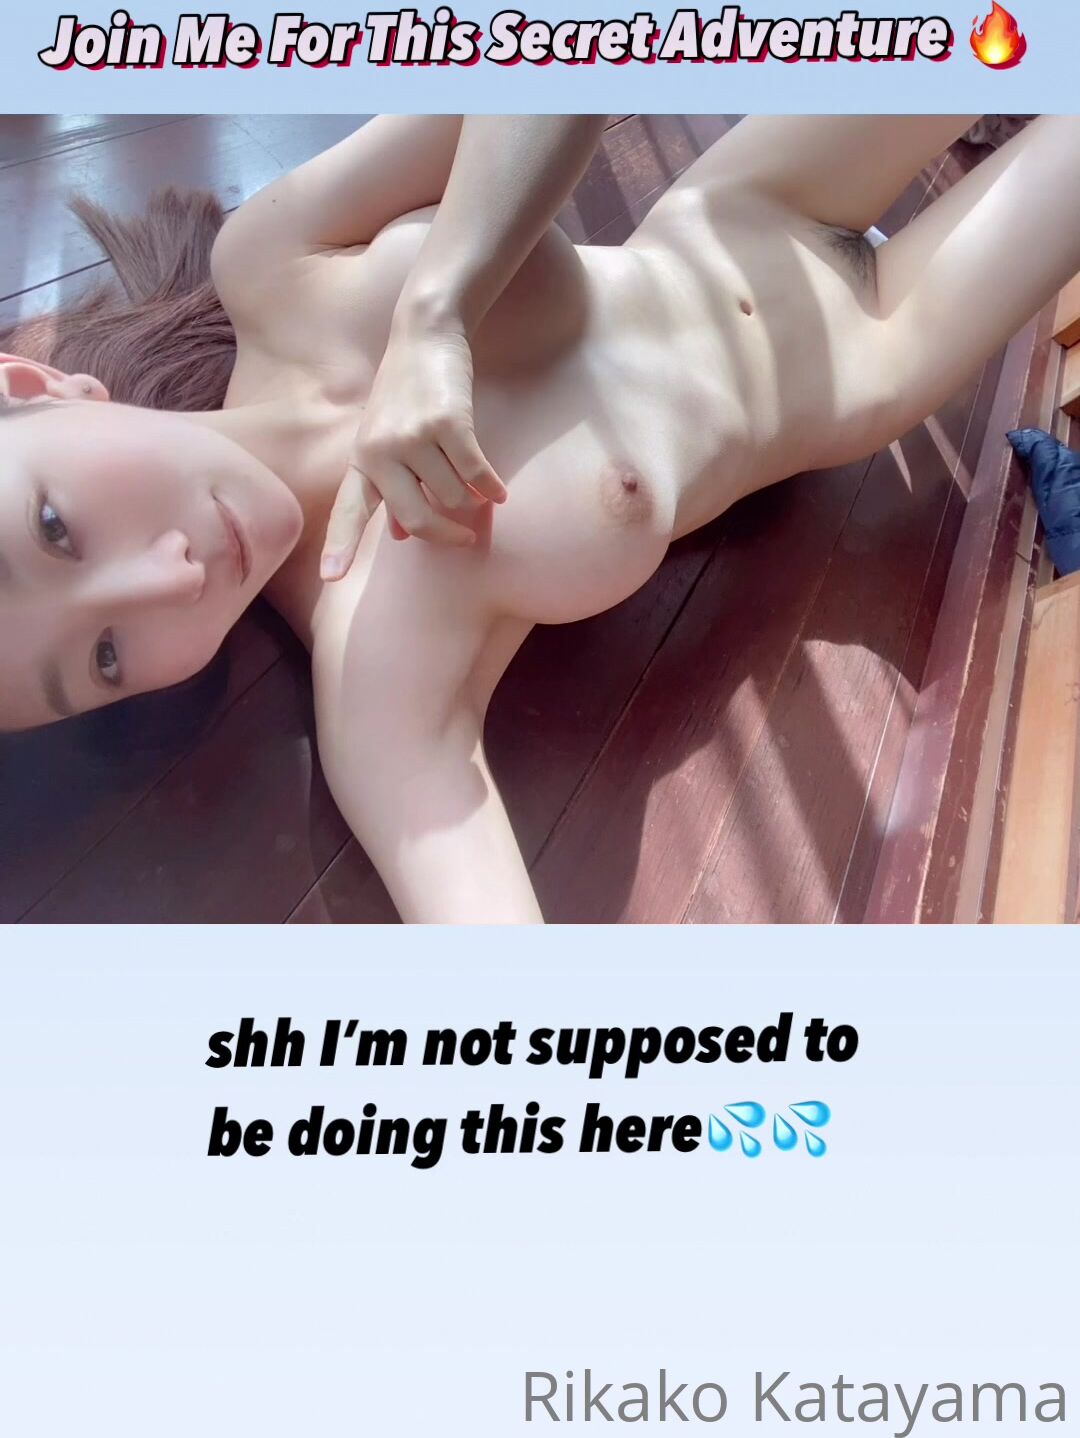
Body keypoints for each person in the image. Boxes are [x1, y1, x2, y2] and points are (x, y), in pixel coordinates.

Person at [3, 114, 1080, 922]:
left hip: (742, 197)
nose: (171, 578)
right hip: (876, 351)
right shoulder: (378, 689)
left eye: (55, 528)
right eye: (105, 656)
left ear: (35, 389)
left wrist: (437, 312)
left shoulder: (271, 265)